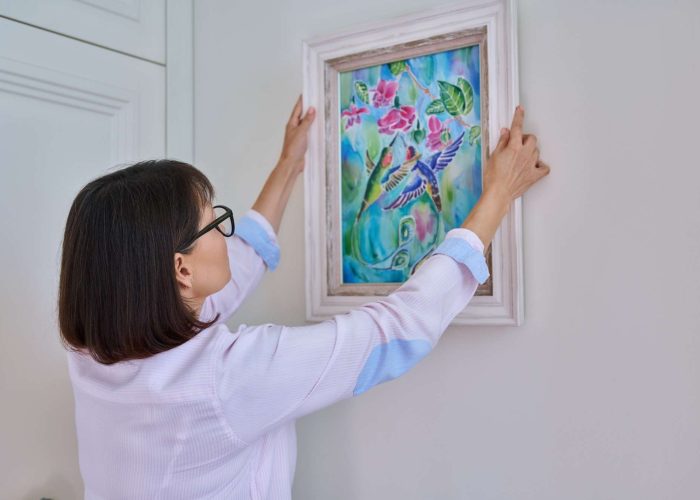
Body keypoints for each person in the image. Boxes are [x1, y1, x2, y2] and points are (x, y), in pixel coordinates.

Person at [58, 95, 550, 499]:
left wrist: (289, 164)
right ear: (181, 269)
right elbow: (398, 327)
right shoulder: (227, 381)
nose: (224, 234)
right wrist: (498, 194)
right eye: (213, 221)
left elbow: (241, 260)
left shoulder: (94, 352)